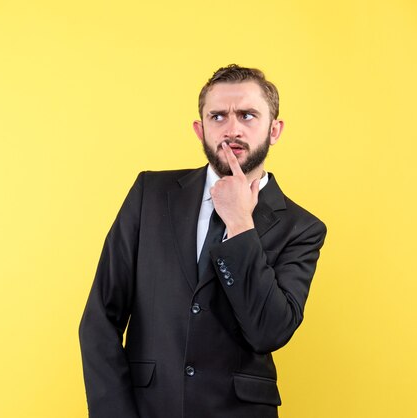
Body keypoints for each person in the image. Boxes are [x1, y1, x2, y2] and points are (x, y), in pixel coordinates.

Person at [79, 64, 327, 418]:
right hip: (149, 408)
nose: (232, 128)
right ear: (201, 129)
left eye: (247, 115)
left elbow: (269, 331)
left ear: (275, 130)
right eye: (218, 116)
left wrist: (240, 224)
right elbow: (99, 317)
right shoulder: (150, 193)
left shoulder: (301, 228)